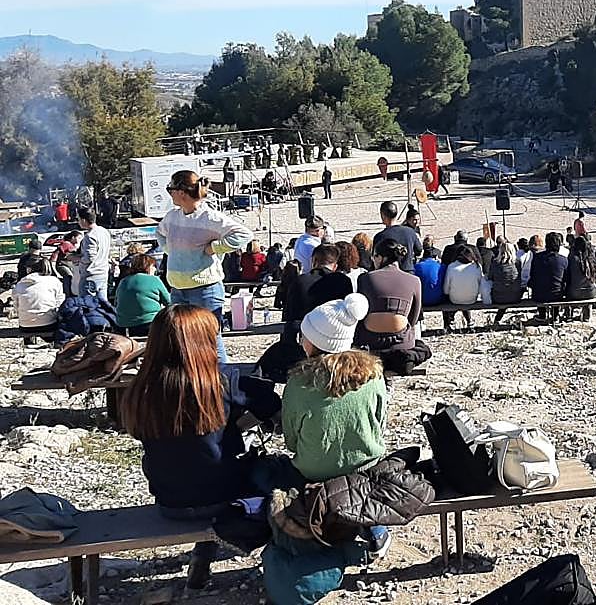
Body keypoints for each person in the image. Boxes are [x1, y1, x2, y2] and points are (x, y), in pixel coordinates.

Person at [123, 304, 281, 590]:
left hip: (170, 501)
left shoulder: (141, 388)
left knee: (191, 465)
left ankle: (202, 556)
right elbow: (271, 404)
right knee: (271, 472)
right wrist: (238, 424)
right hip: (224, 496)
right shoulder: (221, 382)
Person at [282, 294, 390, 556]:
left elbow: (290, 441)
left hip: (315, 469)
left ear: (315, 342)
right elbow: (380, 423)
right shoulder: (373, 376)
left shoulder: (299, 384)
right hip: (364, 464)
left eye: (304, 336)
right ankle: (374, 529)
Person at [156, 171, 251, 357]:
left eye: (170, 190)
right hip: (177, 289)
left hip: (205, 290)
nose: (170, 194)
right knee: (182, 341)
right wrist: (171, 250)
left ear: (181, 192)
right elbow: (159, 232)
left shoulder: (210, 217)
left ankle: (223, 381)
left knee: (211, 341)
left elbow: (244, 235)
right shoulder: (172, 216)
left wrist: (215, 248)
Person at [355, 238, 423, 371]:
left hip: (369, 340)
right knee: (421, 346)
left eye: (374, 256)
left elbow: (360, 312)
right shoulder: (414, 280)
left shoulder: (365, 278)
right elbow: (414, 317)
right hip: (401, 341)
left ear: (381, 258)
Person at [283, 244, 353, 332]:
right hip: (334, 333)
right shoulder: (343, 281)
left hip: (305, 334)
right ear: (335, 265)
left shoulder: (300, 281)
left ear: (313, 261)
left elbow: (290, 315)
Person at [115, 254, 172, 336]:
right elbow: (169, 302)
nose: (155, 269)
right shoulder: (154, 280)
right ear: (148, 267)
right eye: (153, 266)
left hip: (124, 326)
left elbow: (116, 303)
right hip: (148, 324)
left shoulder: (123, 281)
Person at [13, 259, 65, 334]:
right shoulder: (54, 281)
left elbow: (16, 305)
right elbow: (60, 302)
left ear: (29, 269)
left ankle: (29, 342)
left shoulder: (20, 284)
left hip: (25, 326)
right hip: (49, 323)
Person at [529, 231, 569, 322]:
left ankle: (542, 314)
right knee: (557, 285)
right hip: (557, 294)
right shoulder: (563, 260)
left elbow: (532, 275)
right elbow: (566, 278)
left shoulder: (537, 257)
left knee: (541, 284)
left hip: (539, 295)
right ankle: (555, 315)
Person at [75, 207, 112, 301]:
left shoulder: (90, 236)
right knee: (103, 305)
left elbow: (89, 258)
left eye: (78, 219)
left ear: (83, 220)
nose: (78, 222)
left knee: (87, 306)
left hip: (91, 276)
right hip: (103, 273)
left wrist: (75, 258)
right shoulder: (104, 231)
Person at [372, 202, 419, 272]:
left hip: (388, 274)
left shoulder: (380, 236)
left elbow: (375, 258)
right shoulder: (410, 231)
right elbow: (419, 250)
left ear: (383, 215)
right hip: (408, 272)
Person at [487, 240, 524, 328]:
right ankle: (497, 319)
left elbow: (490, 277)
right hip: (516, 296)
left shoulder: (495, 263)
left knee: (500, 289)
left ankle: (497, 319)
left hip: (498, 297)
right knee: (509, 289)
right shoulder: (517, 262)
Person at [566, 234, 596, 320]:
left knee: (568, 289)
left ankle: (568, 314)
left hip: (575, 293)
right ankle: (587, 314)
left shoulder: (572, 258)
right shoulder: (591, 258)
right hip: (592, 292)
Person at [443, 246, 484, 311]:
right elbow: (481, 286)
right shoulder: (477, 266)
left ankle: (449, 320)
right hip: (472, 299)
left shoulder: (451, 267)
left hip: (455, 300)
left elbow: (446, 290)